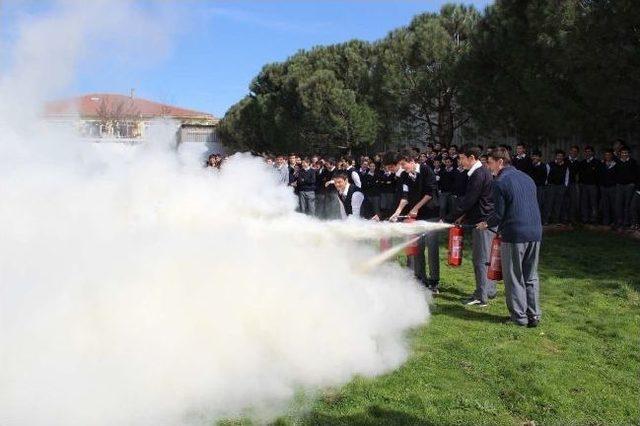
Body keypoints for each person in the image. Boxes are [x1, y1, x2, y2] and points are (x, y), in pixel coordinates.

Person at [478, 147, 542, 327]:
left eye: (489, 163)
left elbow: (498, 214)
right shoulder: (527, 177)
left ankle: (519, 318)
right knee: (531, 276)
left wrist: (486, 224)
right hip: (535, 232)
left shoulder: (499, 182)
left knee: (514, 276)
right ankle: (534, 315)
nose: (488, 167)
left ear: (500, 162)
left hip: (515, 234)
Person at [447, 145, 496, 306]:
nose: (459, 161)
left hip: (482, 222)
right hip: (482, 219)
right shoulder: (479, 173)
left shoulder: (478, 174)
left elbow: (470, 200)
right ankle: (488, 291)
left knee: (480, 260)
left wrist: (450, 217)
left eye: (461, 158)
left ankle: (482, 297)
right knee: (487, 258)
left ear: (472, 158)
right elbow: (475, 201)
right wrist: (462, 216)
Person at [389, 153, 441, 292]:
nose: (402, 168)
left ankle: (434, 281)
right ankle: (420, 279)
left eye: (403, 164)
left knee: (432, 248)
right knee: (417, 247)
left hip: (431, 215)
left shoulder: (426, 170)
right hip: (416, 217)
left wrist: (416, 208)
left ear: (411, 161)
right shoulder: (405, 176)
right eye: (400, 165)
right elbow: (405, 197)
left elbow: (430, 194)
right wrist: (398, 211)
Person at [615, 146, 638, 229]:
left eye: (626, 153)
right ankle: (619, 222)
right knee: (618, 204)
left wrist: (633, 183)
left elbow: (636, 174)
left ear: (629, 154)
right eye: (623, 153)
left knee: (627, 204)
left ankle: (626, 222)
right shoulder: (617, 162)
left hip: (629, 186)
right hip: (619, 185)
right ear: (620, 154)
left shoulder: (633, 162)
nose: (624, 154)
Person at [546, 149, 569, 224]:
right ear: (556, 156)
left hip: (561, 187)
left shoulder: (566, 166)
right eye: (558, 156)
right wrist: (547, 185)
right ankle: (547, 220)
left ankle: (556, 220)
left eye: (561, 156)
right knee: (549, 203)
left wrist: (565, 186)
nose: (559, 157)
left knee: (558, 204)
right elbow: (546, 175)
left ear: (563, 157)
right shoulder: (550, 164)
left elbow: (567, 177)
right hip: (551, 186)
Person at [579, 146, 601, 224]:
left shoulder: (597, 162)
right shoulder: (582, 163)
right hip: (584, 186)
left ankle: (594, 219)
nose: (587, 153)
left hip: (593, 186)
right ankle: (585, 219)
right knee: (584, 203)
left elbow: (599, 175)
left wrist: (597, 185)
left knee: (593, 203)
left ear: (592, 152)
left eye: (589, 151)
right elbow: (580, 175)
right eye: (586, 151)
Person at [562, 145, 581, 224]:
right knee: (565, 201)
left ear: (577, 153)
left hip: (573, 184)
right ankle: (564, 218)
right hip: (564, 183)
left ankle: (572, 218)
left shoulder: (578, 163)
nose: (573, 152)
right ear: (569, 151)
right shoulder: (564, 160)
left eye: (575, 151)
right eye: (572, 151)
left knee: (573, 202)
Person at [530, 149, 549, 223]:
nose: (534, 157)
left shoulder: (543, 166)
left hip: (539, 187)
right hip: (531, 188)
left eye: (536, 156)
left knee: (539, 203)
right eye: (533, 156)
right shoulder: (530, 165)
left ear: (540, 157)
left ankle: (538, 220)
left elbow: (543, 178)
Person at [599, 149, 618, 226]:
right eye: (606, 155)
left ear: (612, 156)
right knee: (605, 205)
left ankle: (614, 221)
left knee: (613, 205)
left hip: (612, 187)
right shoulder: (602, 164)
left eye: (609, 155)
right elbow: (599, 175)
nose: (607, 156)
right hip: (603, 187)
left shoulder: (615, 164)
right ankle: (606, 221)